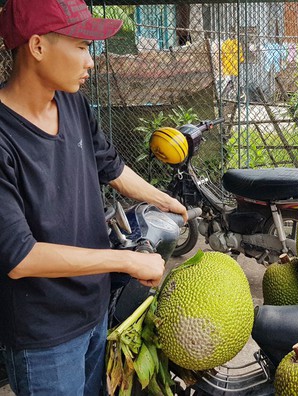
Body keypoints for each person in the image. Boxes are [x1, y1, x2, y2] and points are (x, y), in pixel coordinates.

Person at [0, 0, 188, 394]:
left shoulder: (73, 104)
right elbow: (20, 257)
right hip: (45, 336)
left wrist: (166, 200)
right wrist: (128, 261)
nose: (91, 62)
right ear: (37, 47)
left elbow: (112, 168)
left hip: (94, 312)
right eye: (82, 47)